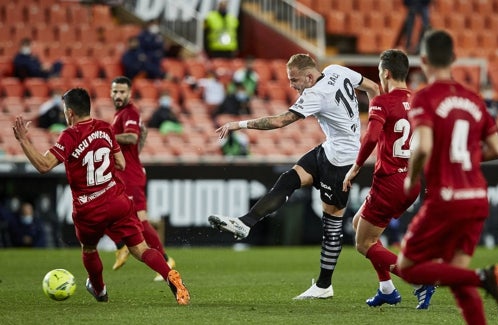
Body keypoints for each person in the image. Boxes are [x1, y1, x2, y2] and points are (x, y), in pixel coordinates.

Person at [208, 53, 380, 299]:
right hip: (329, 148)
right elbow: (373, 87)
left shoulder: (315, 94)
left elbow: (280, 121)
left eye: (295, 80)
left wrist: (240, 124)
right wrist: (376, 120)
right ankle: (246, 223)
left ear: (310, 76)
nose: (292, 85)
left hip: (341, 162)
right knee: (289, 179)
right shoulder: (337, 70)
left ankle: (324, 285)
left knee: (331, 222)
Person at [12, 87, 189, 304]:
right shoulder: (105, 128)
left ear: (69, 113)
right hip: (116, 200)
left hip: (89, 208)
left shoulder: (70, 135)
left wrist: (23, 140)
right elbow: (121, 163)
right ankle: (171, 277)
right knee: (141, 248)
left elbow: (44, 165)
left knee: (89, 248)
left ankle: (99, 290)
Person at [397, 30, 498, 324]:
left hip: (446, 199)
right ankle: (478, 280)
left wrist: (412, 178)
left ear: (422, 61)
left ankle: (483, 277)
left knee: (408, 268)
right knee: (458, 281)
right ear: (454, 59)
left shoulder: (425, 97)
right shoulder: (474, 99)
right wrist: (471, 157)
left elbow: (423, 145)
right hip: (476, 198)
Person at [342, 49, 435, 309]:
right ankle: (387, 289)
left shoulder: (383, 102)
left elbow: (371, 137)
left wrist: (355, 168)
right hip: (411, 182)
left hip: (390, 182)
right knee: (359, 221)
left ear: (386, 73)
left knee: (363, 243)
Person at [109, 76, 176, 282]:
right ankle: (121, 247)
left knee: (140, 220)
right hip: (124, 173)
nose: (118, 95)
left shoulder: (130, 111)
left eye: (122, 92)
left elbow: (132, 137)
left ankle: (165, 261)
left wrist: (105, 135)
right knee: (107, 212)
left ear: (129, 93)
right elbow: (140, 136)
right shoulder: (120, 114)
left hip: (130, 176)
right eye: (115, 91)